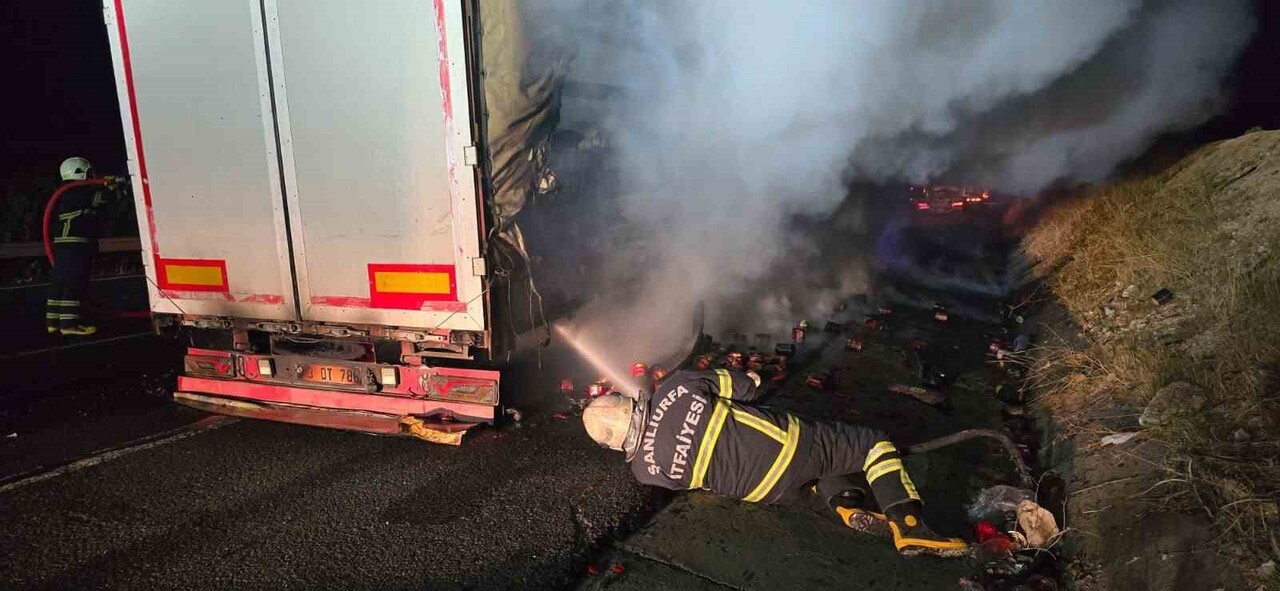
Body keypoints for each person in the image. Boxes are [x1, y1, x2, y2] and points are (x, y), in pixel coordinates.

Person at [582, 367, 969, 558]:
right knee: (871, 444)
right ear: (629, 403)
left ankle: (846, 506)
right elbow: (750, 386)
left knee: (825, 465)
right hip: (791, 447)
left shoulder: (645, 471)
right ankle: (910, 525)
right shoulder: (678, 386)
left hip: (767, 491)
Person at [45, 156, 108, 336]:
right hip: (77, 243)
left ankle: (53, 321)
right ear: (80, 173)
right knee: (74, 282)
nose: (92, 176)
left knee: (60, 281)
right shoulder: (81, 192)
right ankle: (69, 324)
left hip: (62, 243)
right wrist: (109, 187)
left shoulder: (63, 193)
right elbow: (101, 201)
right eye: (89, 173)